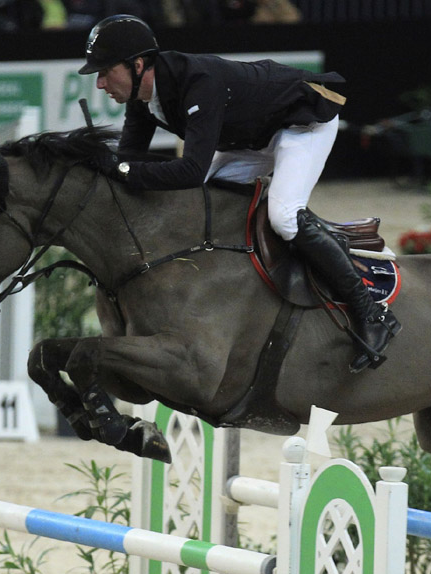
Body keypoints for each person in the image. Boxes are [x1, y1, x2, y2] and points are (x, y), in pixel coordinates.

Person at [78, 14, 400, 372]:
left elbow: (187, 170)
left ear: (137, 65)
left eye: (105, 72)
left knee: (284, 216)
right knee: (198, 196)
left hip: (302, 123)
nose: (101, 83)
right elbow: (130, 164)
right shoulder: (141, 99)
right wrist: (103, 168)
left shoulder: (197, 82)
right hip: (252, 139)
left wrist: (119, 169)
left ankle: (370, 314)